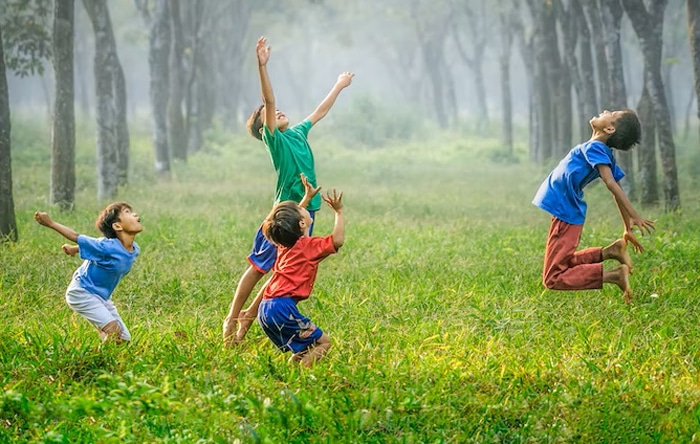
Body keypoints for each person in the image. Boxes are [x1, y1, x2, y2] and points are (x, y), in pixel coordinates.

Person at [222, 36, 353, 345]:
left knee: (283, 271)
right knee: (258, 268)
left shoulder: (297, 133)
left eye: (278, 110)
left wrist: (339, 85)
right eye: (267, 114)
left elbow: (319, 111)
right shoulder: (275, 141)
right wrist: (262, 65)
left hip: (308, 211)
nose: (276, 111)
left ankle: (246, 325)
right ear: (262, 128)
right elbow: (268, 100)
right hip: (284, 214)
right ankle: (232, 318)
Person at [532, 109, 655, 304]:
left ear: (609, 128)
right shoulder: (600, 150)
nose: (605, 110)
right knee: (563, 263)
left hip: (565, 212)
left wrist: (634, 215)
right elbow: (616, 187)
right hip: (565, 211)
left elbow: (611, 183)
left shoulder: (596, 148)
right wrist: (626, 226)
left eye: (611, 113)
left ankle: (614, 276)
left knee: (553, 277)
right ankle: (610, 252)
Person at [257, 183, 344, 367]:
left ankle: (291, 372)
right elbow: (337, 240)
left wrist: (306, 198)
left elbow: (291, 222)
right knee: (324, 342)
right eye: (300, 209)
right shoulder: (308, 247)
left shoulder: (284, 243)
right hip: (281, 308)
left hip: (265, 308)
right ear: (301, 223)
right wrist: (338, 212)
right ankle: (302, 377)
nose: (301, 207)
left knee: (305, 347)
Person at [34, 202, 143, 342]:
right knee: (114, 331)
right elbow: (76, 236)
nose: (134, 214)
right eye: (127, 212)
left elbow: (96, 247)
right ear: (117, 226)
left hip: (101, 297)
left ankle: (106, 347)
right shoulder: (107, 246)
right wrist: (50, 223)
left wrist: (74, 249)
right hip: (82, 292)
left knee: (123, 339)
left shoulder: (134, 249)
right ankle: (97, 360)